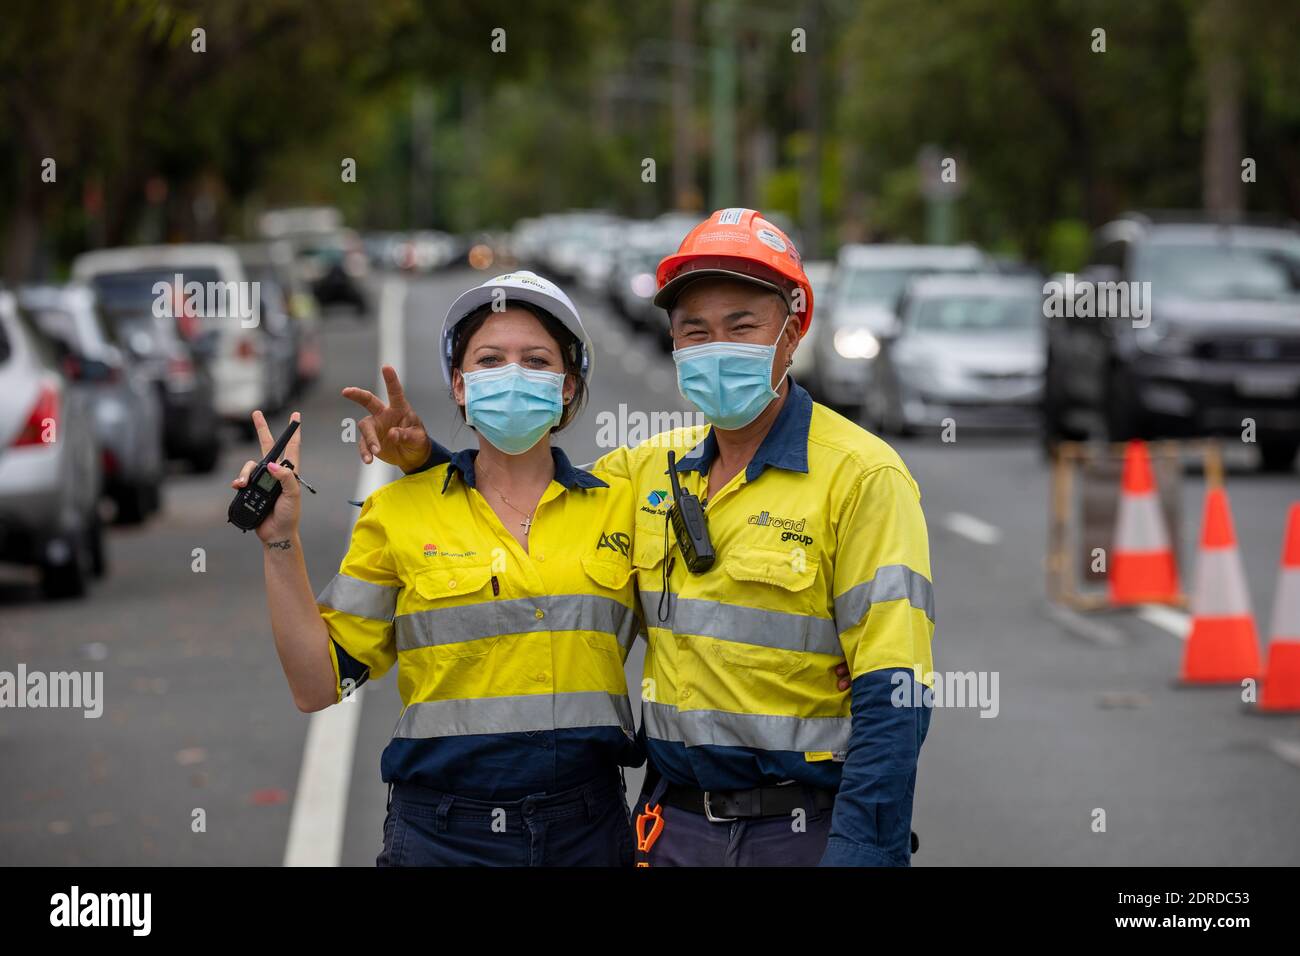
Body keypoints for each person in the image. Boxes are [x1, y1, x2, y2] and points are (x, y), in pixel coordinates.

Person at [361, 209, 934, 867]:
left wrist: (865, 850)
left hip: (801, 834)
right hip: (672, 833)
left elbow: (897, 691)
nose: (717, 345)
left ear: (794, 328)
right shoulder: (644, 473)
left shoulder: (863, 477)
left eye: (741, 325)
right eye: (695, 330)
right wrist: (427, 462)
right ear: (674, 344)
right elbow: (524, 493)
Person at [236, 271, 642, 866]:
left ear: (567, 385)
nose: (513, 374)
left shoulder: (623, 506)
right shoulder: (397, 512)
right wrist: (280, 543)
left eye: (536, 360)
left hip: (588, 834)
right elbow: (317, 684)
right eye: (489, 359)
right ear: (458, 384)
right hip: (443, 839)